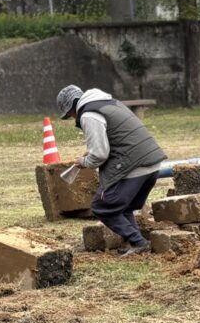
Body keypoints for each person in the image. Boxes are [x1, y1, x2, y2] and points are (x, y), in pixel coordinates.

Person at [56, 83, 167, 253]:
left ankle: (138, 243)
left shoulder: (89, 114)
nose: (72, 117)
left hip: (133, 165)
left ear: (72, 106)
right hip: (151, 162)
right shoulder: (110, 103)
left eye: (69, 114)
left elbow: (100, 155)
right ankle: (134, 243)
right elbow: (118, 135)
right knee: (124, 206)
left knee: (102, 206)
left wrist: (84, 162)